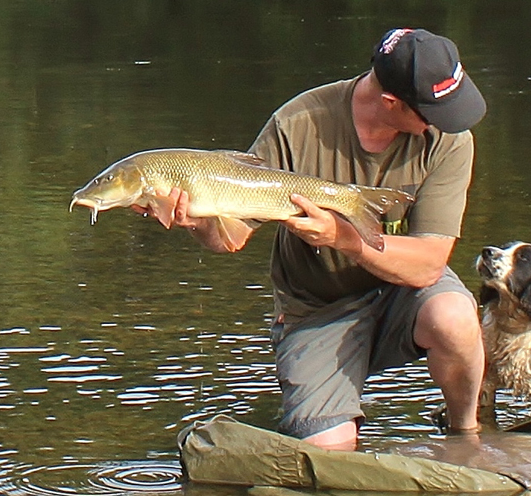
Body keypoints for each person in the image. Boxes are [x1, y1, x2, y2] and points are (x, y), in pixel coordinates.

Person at [148, 28, 487, 450]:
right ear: (390, 103)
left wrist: (346, 239)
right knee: (327, 451)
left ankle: (465, 432)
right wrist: (195, 220)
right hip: (316, 309)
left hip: (404, 294)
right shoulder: (297, 125)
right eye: (431, 113)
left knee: (455, 317)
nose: (442, 124)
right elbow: (229, 240)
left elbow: (429, 264)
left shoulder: (448, 140)